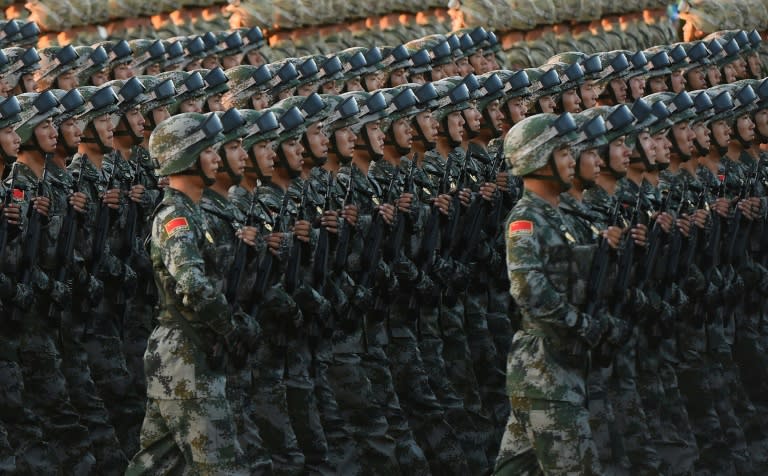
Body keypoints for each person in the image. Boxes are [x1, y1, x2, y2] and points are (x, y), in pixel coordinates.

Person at [494, 112, 626, 475]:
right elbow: (528, 290)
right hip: (545, 372)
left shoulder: (565, 216)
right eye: (564, 152)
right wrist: (584, 326)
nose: (573, 160)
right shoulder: (526, 219)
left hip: (561, 368)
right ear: (539, 158)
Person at [126, 111, 255, 474]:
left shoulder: (193, 213)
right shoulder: (176, 218)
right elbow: (193, 285)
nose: (217, 158)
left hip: (182, 351)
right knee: (221, 465)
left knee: (159, 464)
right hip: (185, 355)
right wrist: (229, 330)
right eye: (209, 151)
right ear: (186, 158)